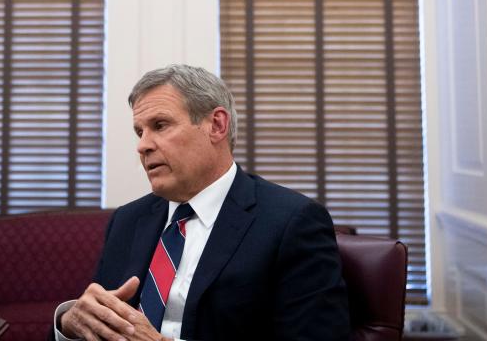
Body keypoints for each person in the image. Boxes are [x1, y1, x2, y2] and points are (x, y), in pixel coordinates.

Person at [53, 64, 349, 341]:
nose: (143, 145)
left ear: (216, 126)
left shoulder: (290, 222)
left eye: (160, 125)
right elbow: (100, 320)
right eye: (139, 132)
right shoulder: (128, 220)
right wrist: (68, 322)